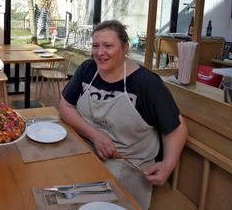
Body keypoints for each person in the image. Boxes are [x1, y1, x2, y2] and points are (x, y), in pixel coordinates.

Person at [59, 20, 187, 209]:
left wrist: (168, 165)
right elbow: (65, 107)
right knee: (54, 182)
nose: (100, 53)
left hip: (126, 162)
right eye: (96, 46)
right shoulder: (87, 69)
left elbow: (177, 129)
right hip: (85, 146)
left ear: (125, 47)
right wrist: (96, 135)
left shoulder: (147, 84)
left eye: (108, 46)